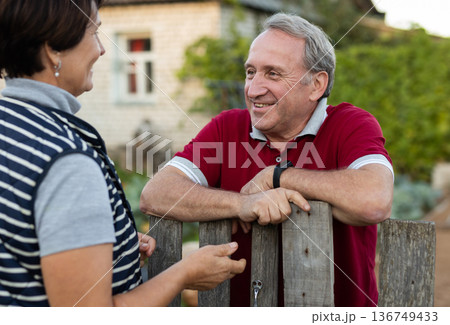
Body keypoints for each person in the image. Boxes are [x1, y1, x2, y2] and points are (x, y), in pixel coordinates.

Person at [0, 0, 245, 307]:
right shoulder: (66, 161)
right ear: (53, 50)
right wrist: (183, 274)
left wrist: (116, 251)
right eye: (94, 32)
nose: (101, 50)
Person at [140, 13, 394, 307]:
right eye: (251, 72)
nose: (253, 89)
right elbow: (155, 194)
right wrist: (242, 204)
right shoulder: (227, 127)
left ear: (316, 84)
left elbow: (375, 199)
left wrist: (277, 176)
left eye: (273, 74)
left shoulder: (351, 124)